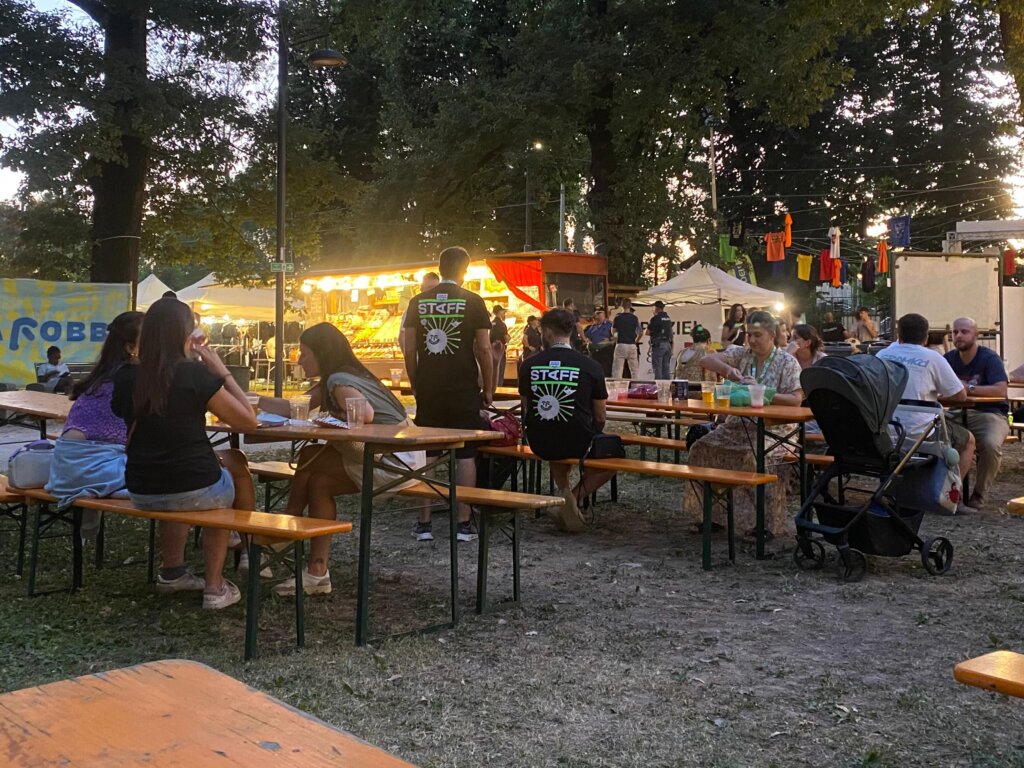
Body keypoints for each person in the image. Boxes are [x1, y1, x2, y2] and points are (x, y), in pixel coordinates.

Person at [111, 297, 258, 610]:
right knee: (219, 486)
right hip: (195, 486)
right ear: (185, 333)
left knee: (181, 485)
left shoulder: (126, 377)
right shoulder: (194, 375)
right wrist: (223, 373)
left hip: (141, 488)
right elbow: (248, 421)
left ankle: (173, 572)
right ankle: (216, 587)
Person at [258, 323, 418, 595]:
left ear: (321, 353)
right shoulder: (342, 377)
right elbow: (294, 407)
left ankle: (285, 528)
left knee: (310, 456)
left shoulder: (338, 381)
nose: (299, 360)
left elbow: (364, 413)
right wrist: (255, 400)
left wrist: (335, 418)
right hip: (404, 455)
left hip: (395, 460)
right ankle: (316, 572)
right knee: (319, 483)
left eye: (304, 353)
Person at [401, 245, 492, 542]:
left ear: (440, 268)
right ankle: (463, 523)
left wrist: (415, 381)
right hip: (463, 386)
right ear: (464, 270)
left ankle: (424, 523)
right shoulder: (473, 301)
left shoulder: (418, 301)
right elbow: (484, 349)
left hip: (429, 386)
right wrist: (489, 388)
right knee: (465, 453)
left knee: (429, 452)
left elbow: (409, 348)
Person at [692, 311, 803, 537]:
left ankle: (766, 524)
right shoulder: (742, 354)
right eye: (748, 334)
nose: (751, 340)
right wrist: (728, 371)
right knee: (700, 449)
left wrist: (762, 392)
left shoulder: (787, 362)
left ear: (772, 335)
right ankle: (715, 515)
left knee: (755, 457)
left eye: (757, 335)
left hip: (776, 429)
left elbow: (796, 400)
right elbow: (705, 359)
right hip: (738, 425)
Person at [45, 311, 143, 538]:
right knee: (178, 475)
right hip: (94, 470)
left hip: (64, 470)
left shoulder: (101, 376)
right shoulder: (132, 378)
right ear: (131, 347)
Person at [518, 309, 616, 532]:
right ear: (571, 331)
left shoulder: (529, 365)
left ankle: (565, 499)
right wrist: (594, 431)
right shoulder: (590, 366)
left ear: (547, 332)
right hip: (579, 440)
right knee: (614, 457)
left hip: (539, 441)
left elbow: (527, 407)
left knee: (554, 434)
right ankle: (571, 499)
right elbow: (600, 416)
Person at [876, 313, 976, 512]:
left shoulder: (882, 355)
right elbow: (960, 395)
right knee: (968, 441)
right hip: (920, 433)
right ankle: (950, 495)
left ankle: (897, 492)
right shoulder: (932, 357)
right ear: (926, 337)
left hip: (886, 431)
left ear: (899, 335)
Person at [944, 316, 1009, 509]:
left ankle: (979, 494)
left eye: (964, 332)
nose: (958, 336)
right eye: (955, 332)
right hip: (956, 412)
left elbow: (1001, 391)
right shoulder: (948, 359)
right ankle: (945, 492)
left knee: (990, 444)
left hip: (990, 413)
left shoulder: (989, 359)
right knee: (932, 436)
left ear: (976, 335)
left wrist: (968, 389)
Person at [398, 272, 440, 351]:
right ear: (421, 289)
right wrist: (410, 357)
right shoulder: (412, 309)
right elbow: (403, 337)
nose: (433, 291)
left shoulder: (446, 307)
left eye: (436, 288)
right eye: (430, 288)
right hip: (422, 357)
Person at [611, 299, 641, 378]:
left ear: (621, 305)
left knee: (617, 369)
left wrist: (616, 337)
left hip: (621, 344)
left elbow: (613, 332)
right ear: (630, 306)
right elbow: (640, 332)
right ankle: (636, 384)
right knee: (634, 370)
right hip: (632, 345)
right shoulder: (635, 318)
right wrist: (636, 341)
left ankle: (617, 384)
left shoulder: (617, 317)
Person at [646, 300, 674, 379]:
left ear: (656, 308)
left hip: (659, 345)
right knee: (666, 368)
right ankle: (667, 385)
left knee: (657, 367)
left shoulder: (655, 319)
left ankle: (658, 385)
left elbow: (647, 332)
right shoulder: (668, 318)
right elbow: (671, 334)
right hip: (668, 345)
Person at [489, 305, 510, 398]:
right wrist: (508, 338)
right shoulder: (502, 324)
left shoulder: (491, 323)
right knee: (499, 371)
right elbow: (506, 338)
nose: (504, 313)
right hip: (500, 350)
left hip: (491, 351)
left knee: (492, 372)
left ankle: (492, 390)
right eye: (503, 311)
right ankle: (498, 392)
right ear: (499, 312)